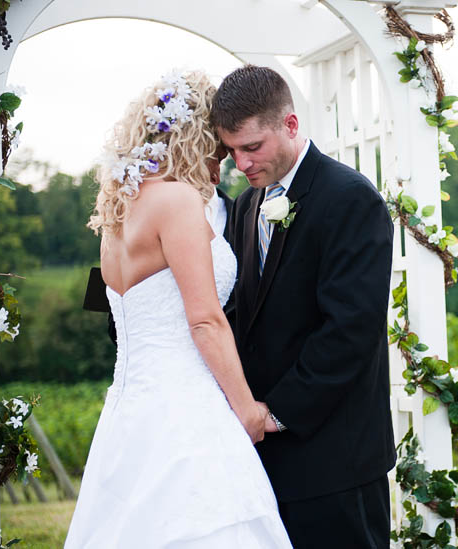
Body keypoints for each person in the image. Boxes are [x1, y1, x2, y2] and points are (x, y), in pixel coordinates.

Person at [65, 70, 292, 548]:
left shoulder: (116, 209)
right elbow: (206, 320)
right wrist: (247, 410)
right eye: (218, 144)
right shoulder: (178, 201)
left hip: (129, 411)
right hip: (186, 410)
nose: (225, 160)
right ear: (197, 138)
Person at [211, 65, 396, 548]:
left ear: (290, 126)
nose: (242, 163)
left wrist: (276, 413)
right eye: (231, 151)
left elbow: (351, 330)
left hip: (336, 459)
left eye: (252, 147)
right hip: (266, 463)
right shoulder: (248, 205)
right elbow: (241, 315)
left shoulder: (351, 199)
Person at [82, 145, 236, 344]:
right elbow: (113, 314)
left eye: (221, 160)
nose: (216, 174)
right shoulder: (127, 214)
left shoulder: (245, 214)